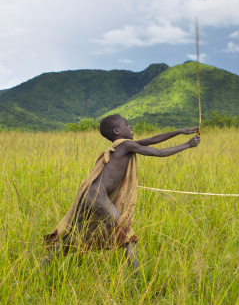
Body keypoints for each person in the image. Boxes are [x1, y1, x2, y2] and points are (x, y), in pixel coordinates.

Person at [43, 114, 200, 272]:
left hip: (90, 195)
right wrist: (187, 144)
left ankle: (43, 267)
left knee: (74, 235)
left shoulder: (123, 145)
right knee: (127, 236)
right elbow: (158, 152)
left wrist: (179, 132)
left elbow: (153, 139)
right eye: (127, 124)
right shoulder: (124, 145)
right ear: (117, 131)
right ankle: (137, 276)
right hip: (97, 197)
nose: (130, 127)